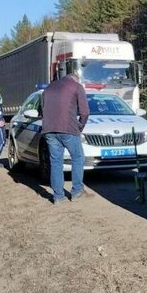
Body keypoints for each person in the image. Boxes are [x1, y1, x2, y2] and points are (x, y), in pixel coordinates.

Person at [39, 71, 90, 203]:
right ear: (76, 79)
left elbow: (41, 110)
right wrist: (80, 127)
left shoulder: (48, 88)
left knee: (56, 162)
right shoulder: (76, 86)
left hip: (49, 130)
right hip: (69, 129)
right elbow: (85, 112)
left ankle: (58, 196)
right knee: (78, 158)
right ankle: (77, 190)